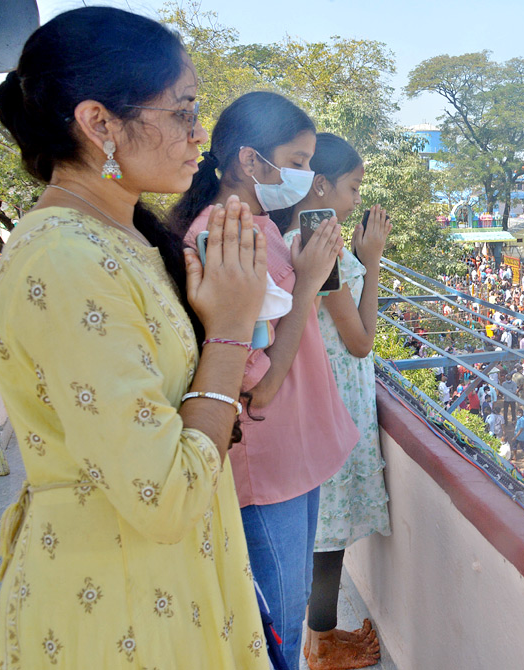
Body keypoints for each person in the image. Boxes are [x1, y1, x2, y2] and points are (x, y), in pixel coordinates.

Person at [0, 7, 270, 667]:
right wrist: (230, 331)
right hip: (117, 606)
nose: (199, 135)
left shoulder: (123, 239)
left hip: (159, 582)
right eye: (181, 112)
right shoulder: (67, 260)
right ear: (98, 123)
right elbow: (164, 495)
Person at [175, 91, 358, 669]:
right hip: (266, 459)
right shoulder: (229, 235)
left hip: (291, 453)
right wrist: (309, 283)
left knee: (289, 598)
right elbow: (257, 385)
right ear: (250, 162)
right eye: (298, 161)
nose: (307, 176)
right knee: (275, 618)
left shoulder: (258, 225)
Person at [282, 134, 391, 668]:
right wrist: (371, 263)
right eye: (353, 187)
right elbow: (362, 339)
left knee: (320, 528)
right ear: (320, 185)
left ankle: (318, 637)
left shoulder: (287, 235)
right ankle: (322, 646)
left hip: (308, 398)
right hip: (335, 404)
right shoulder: (324, 250)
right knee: (328, 538)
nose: (355, 201)